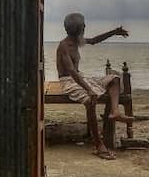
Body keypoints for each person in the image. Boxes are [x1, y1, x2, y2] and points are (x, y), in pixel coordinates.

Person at [56, 13, 133, 160]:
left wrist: (114, 32)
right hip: (68, 81)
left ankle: (115, 111)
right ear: (79, 28)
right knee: (90, 100)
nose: (85, 27)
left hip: (80, 77)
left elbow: (95, 40)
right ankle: (99, 145)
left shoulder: (77, 41)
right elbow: (71, 72)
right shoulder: (64, 46)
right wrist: (89, 89)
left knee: (114, 79)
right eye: (83, 25)